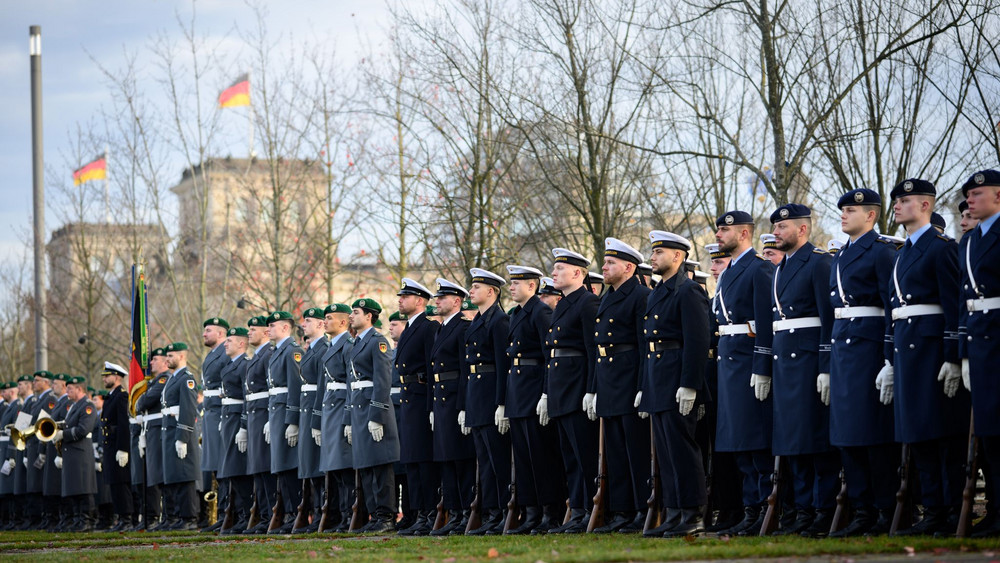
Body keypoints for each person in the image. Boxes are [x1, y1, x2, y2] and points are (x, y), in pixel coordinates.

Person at [886, 178, 967, 536]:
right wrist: (889, 359)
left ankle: (950, 511)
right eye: (896, 201)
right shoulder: (903, 251)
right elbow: (894, 308)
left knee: (941, 434)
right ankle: (933, 509)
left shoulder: (940, 248)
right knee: (918, 434)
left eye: (904, 201)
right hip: (907, 350)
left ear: (925, 205)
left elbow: (954, 305)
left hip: (932, 352)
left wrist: (953, 355)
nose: (897, 206)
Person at [827, 189, 899, 536]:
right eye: (842, 210)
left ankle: (885, 509)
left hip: (869, 349)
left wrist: (889, 357)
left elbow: (891, 306)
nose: (843, 214)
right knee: (847, 435)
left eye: (851, 210)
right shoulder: (841, 254)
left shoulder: (881, 252)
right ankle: (861, 509)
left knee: (872, 434)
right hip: (843, 349)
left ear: (870, 215)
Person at [768, 203, 838, 537]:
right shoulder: (781, 267)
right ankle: (802, 511)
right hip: (786, 363)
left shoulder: (819, 262)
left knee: (815, 440)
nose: (776, 232)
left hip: (809, 362)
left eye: (782, 227)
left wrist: (825, 365)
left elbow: (829, 318)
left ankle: (823, 511)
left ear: (803, 229)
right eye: (775, 227)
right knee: (793, 441)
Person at [639, 231, 710, 537]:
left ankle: (692, 513)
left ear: (677, 256)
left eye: (659, 253)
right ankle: (674, 511)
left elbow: (697, 341)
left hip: (676, 375)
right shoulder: (658, 292)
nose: (652, 257)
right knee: (666, 452)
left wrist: (690, 384)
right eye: (653, 252)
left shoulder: (688, 291)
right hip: (658, 377)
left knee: (683, 449)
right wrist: (645, 385)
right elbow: (648, 344)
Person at [712, 211, 776, 536]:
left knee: (756, 442)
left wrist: (762, 366)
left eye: (725, 230)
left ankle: (766, 508)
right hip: (730, 363)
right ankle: (750, 509)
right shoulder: (729, 271)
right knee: (739, 444)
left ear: (744, 233)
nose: (719, 234)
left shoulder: (759, 268)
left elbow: (765, 322)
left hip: (748, 361)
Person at [590, 238, 651, 534]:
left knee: (635, 450)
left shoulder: (640, 295)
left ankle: (642, 509)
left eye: (610, 263)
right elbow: (598, 347)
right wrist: (594, 388)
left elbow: (644, 344)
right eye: (605, 262)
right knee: (614, 452)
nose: (604, 267)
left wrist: (642, 385)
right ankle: (621, 511)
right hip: (608, 380)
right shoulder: (607, 297)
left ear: (629, 267)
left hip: (628, 378)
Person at [502, 265, 566, 535]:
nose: (511, 287)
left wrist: (546, 392)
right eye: (511, 283)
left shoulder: (540, 312)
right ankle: (531, 513)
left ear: (532, 285)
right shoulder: (517, 313)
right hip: (518, 391)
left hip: (533, 389)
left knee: (541, 457)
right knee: (524, 459)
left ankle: (550, 512)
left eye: (517, 283)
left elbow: (549, 355)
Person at [541, 248, 601, 534]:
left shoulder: (587, 302)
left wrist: (591, 389)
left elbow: (592, 349)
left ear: (578, 273)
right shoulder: (563, 304)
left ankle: (590, 509)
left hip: (577, 388)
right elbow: (552, 353)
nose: (554, 273)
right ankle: (577, 509)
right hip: (560, 388)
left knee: (584, 453)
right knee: (570, 456)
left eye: (560, 269)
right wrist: (546, 393)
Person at [958, 170, 1000, 537]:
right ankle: (996, 510)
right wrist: (963, 353)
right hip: (980, 342)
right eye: (968, 195)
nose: (970, 200)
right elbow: (963, 301)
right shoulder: (970, 241)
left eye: (977, 193)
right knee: (989, 432)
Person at [463, 268, 512, 535]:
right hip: (476, 396)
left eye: (476, 287)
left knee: (498, 459)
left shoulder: (499, 321)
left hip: (491, 395)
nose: (471, 291)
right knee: (484, 461)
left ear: (491, 291)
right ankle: (492, 513)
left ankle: (505, 511)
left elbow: (504, 365)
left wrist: (501, 403)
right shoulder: (478, 321)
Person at [347, 298, 400, 533]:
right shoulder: (357, 342)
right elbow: (351, 383)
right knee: (366, 466)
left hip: (373, 408)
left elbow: (382, 381)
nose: (351, 316)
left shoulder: (377, 342)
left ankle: (386, 516)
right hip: (359, 409)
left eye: (356, 312)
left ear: (369, 316)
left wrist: (377, 415)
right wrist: (349, 419)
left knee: (380, 465)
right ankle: (374, 515)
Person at [429, 278, 477, 536]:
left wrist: (463, 406)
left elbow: (465, 370)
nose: (437, 301)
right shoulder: (442, 328)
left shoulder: (462, 327)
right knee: (446, 459)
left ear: (457, 301)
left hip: (454, 397)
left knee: (460, 459)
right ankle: (454, 513)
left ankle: (466, 513)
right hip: (440, 399)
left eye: (442, 298)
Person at [316, 303, 355, 532]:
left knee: (344, 467)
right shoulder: (332, 345)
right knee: (335, 468)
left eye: (329, 318)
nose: (325, 322)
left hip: (341, 407)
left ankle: (351, 514)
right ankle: (342, 514)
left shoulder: (348, 345)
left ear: (343, 322)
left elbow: (351, 383)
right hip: (330, 407)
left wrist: (348, 416)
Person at [265, 311, 305, 534]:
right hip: (276, 410)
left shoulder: (292, 351)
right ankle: (288, 512)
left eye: (273, 325)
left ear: (285, 328)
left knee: (289, 464)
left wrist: (292, 420)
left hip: (285, 412)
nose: (268, 329)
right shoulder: (277, 352)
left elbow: (295, 387)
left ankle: (295, 512)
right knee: (280, 464)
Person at [161, 342, 202, 530]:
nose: (167, 359)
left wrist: (182, 437)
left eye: (171, 356)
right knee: (176, 475)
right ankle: (180, 516)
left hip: (181, 431)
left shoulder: (186, 379)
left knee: (185, 476)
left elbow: (188, 409)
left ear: (182, 356)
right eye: (167, 356)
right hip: (170, 431)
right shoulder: (173, 378)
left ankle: (189, 518)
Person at [294, 307, 328, 533]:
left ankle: (323, 514)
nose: (304, 324)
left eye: (308, 321)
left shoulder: (323, 348)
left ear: (320, 325)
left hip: (317, 409)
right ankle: (316, 513)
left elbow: (322, 387)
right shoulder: (312, 349)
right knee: (310, 465)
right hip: (306, 409)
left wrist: (316, 417)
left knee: (318, 466)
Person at [243, 316, 276, 534]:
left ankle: (271, 514)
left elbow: (272, 389)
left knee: (265, 467)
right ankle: (264, 515)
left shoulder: (268, 354)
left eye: (253, 329)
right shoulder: (257, 355)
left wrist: (270, 419)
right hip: (255, 414)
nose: (249, 333)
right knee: (258, 468)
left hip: (264, 413)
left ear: (265, 332)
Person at [218, 327, 252, 535]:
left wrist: (243, 425)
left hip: (238, 417)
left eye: (229, 340)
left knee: (238, 469)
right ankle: (239, 515)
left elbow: (247, 397)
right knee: (231, 470)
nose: (225, 343)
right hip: (228, 417)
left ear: (241, 343)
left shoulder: (244, 365)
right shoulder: (231, 365)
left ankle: (246, 515)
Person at [57, 376, 99, 531]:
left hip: (81, 452)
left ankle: (87, 520)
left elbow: (83, 429)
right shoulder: (74, 406)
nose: (67, 391)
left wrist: (63, 434)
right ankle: (77, 520)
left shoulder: (87, 406)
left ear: (79, 389)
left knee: (84, 488)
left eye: (70, 389)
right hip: (71, 452)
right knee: (73, 489)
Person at [200, 317, 230, 533]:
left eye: (208, 330)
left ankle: (227, 513)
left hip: (221, 412)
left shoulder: (225, 353)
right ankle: (222, 514)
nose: (204, 334)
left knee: (224, 466)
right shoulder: (212, 355)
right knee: (216, 468)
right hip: (211, 413)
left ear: (221, 333)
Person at [138, 347, 169, 530]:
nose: (151, 363)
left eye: (155, 359)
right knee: (153, 475)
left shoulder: (164, 379)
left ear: (165, 362)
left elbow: (145, 401)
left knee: (158, 474)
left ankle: (159, 515)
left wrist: (142, 400)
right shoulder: (155, 381)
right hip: (151, 429)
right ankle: (153, 516)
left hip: (157, 429)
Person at [100, 362, 133, 531]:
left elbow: (123, 424)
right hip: (110, 444)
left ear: (117, 377)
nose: (104, 379)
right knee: (114, 482)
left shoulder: (121, 396)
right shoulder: (111, 396)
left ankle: (127, 518)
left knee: (121, 482)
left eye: (107, 376)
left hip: (117, 444)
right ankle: (120, 517)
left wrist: (123, 448)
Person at [40, 373, 70, 531]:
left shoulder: (54, 401)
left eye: (55, 384)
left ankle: (59, 518)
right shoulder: (52, 401)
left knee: (56, 485)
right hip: (49, 446)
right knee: (50, 486)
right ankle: (52, 518)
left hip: (58, 447)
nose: (53, 386)